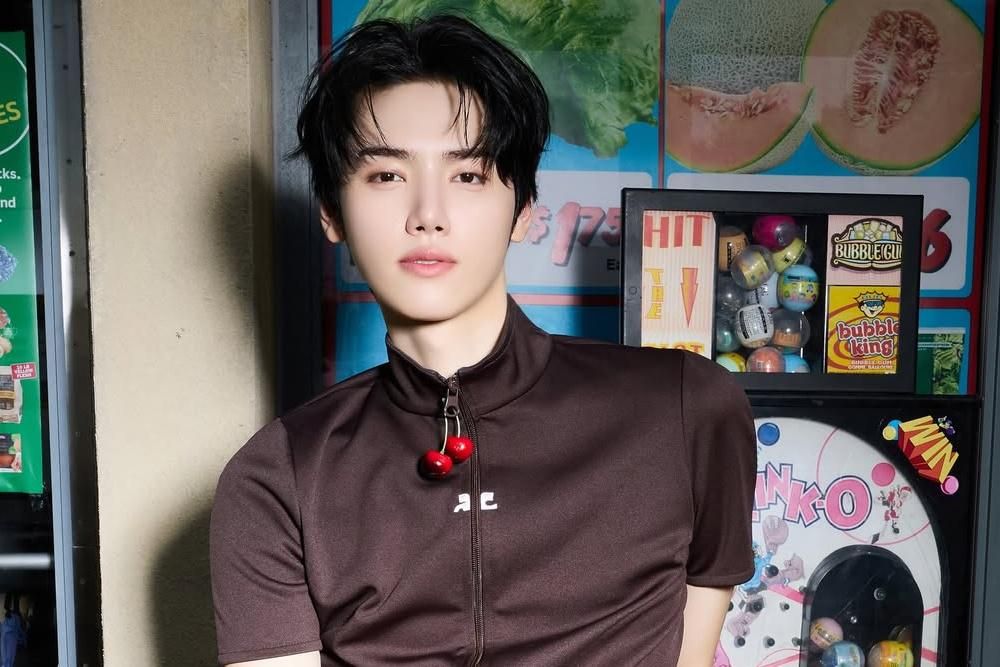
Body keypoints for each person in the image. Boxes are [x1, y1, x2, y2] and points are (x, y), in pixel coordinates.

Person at [210, 14, 756, 667]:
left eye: (468, 175)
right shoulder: (278, 475)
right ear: (332, 211)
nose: (428, 215)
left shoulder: (687, 409)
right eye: (386, 176)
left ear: (523, 208)